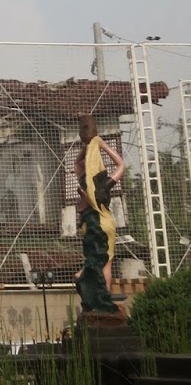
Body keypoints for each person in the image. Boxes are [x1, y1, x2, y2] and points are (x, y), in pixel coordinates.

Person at [74, 113, 125, 314]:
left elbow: (77, 165)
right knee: (105, 263)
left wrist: (85, 149)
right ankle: (102, 298)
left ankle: (93, 288)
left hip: (92, 224)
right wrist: (102, 145)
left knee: (97, 260)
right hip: (103, 223)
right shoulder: (102, 185)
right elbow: (121, 164)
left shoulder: (84, 184)